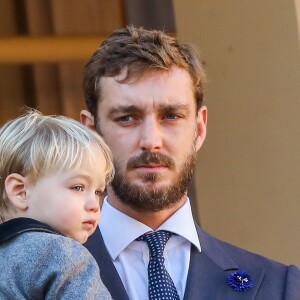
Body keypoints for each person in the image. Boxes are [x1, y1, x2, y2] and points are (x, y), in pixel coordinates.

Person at [81, 26, 300, 299]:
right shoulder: (30, 284)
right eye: (127, 117)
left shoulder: (280, 287)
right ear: (91, 133)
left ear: (199, 129)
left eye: (171, 116)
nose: (151, 141)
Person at [0, 109, 114, 299]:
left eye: (98, 192)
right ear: (21, 191)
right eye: (77, 187)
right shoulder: (63, 254)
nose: (94, 204)